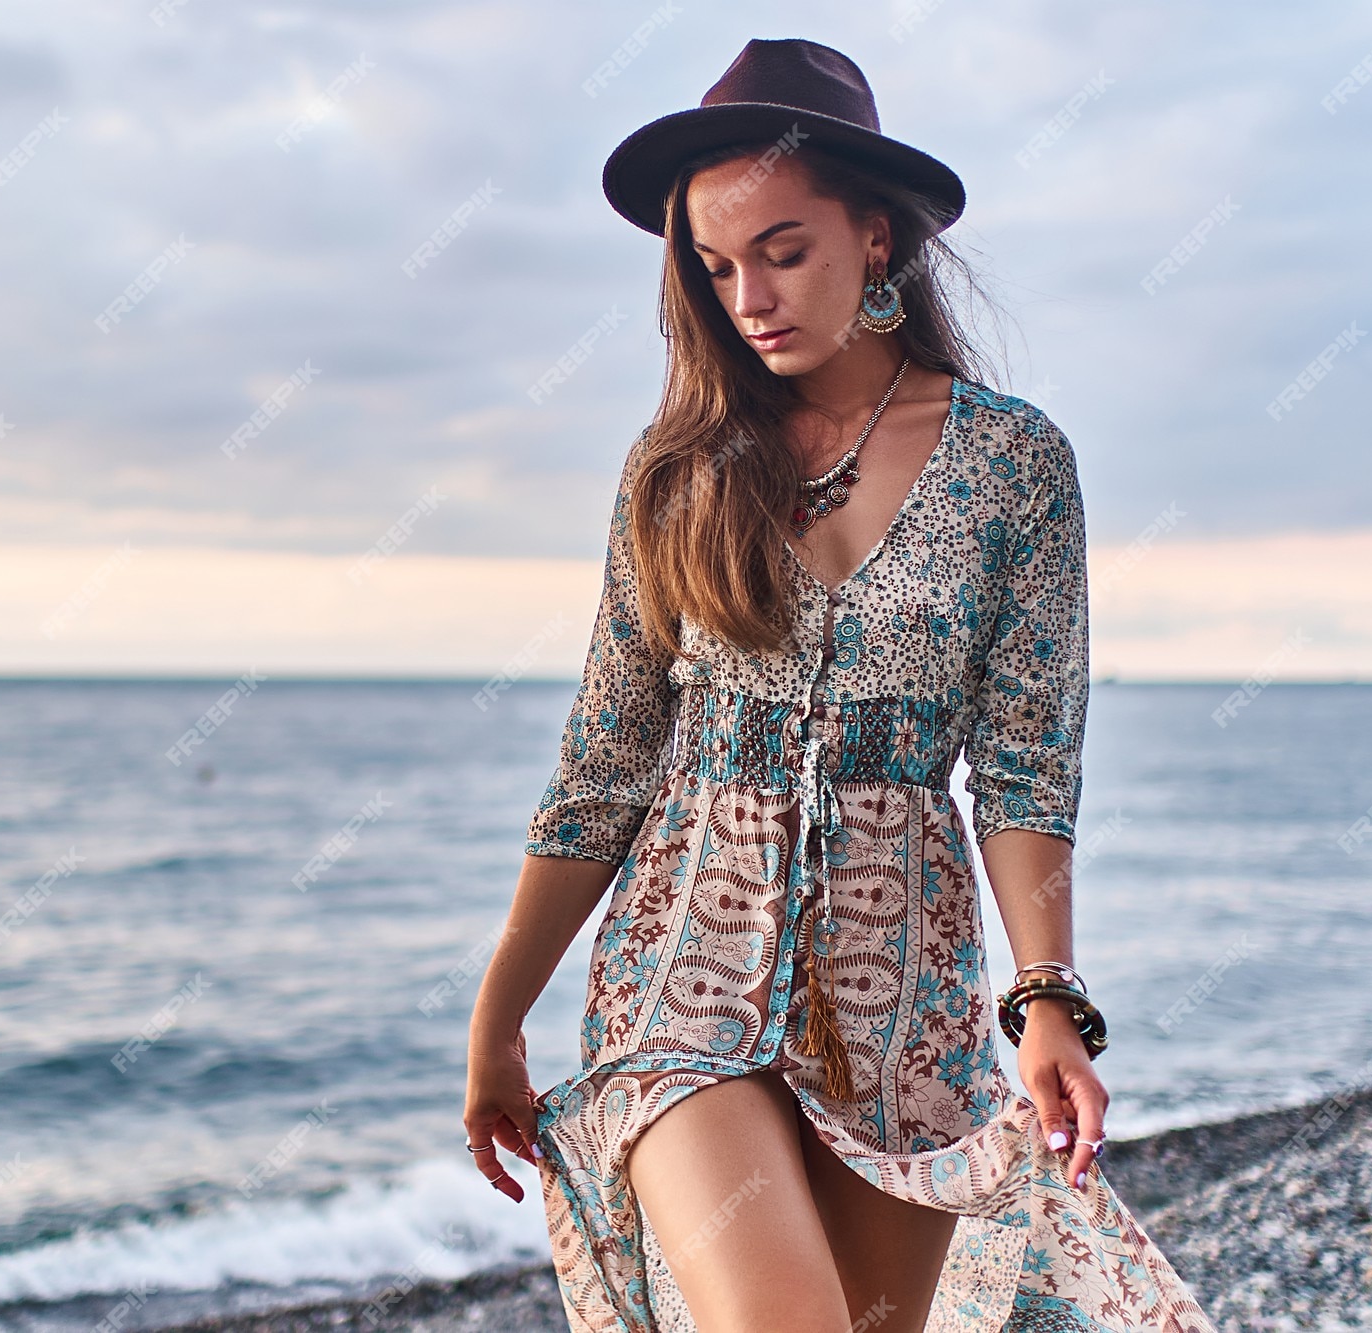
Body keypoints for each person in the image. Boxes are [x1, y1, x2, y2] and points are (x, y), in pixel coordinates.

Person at [464, 38, 1214, 1333]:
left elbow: (1028, 770)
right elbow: (605, 766)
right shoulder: (678, 473)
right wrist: (501, 1016)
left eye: (783, 249)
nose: (748, 293)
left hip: (904, 1011)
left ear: (877, 238)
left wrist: (1046, 1001)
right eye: (715, 266)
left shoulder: (1014, 467)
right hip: (679, 982)